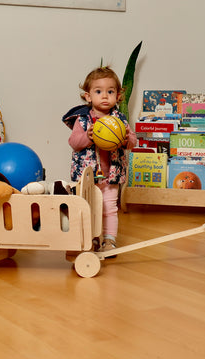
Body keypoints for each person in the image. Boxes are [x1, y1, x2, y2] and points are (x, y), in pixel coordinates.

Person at [62, 66, 137, 253]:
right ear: (88, 96)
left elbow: (133, 142)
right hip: (88, 177)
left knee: (110, 208)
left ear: (118, 96)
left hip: (111, 176)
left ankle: (109, 240)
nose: (105, 96)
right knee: (88, 208)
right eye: (98, 91)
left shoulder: (119, 120)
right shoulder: (83, 120)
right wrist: (87, 136)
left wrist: (127, 138)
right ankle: (91, 238)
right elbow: (74, 143)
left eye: (110, 91)